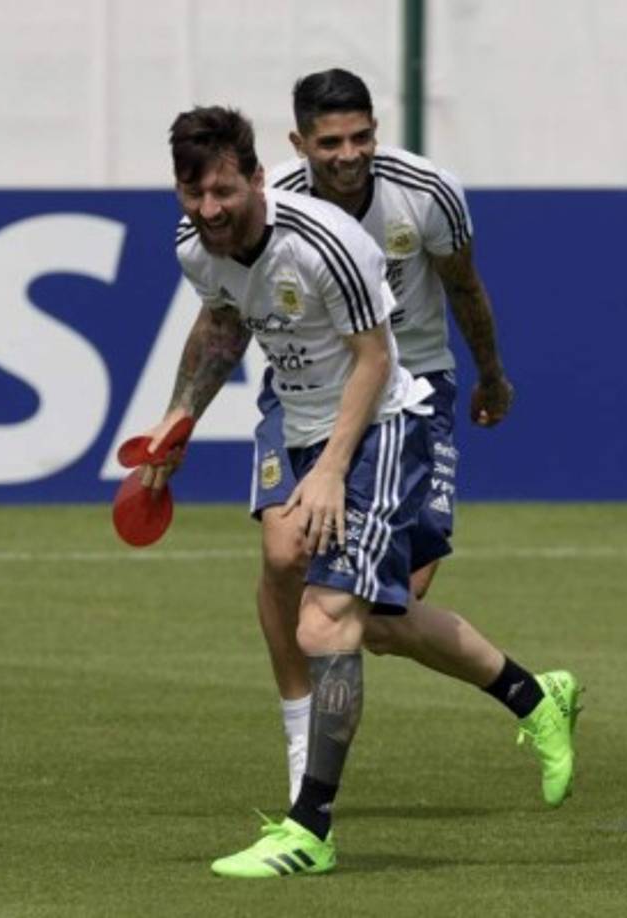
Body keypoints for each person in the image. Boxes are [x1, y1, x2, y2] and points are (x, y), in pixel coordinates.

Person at [144, 104, 580, 878]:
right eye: (192, 193)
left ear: (254, 177)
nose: (209, 209)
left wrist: (332, 470)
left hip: (377, 424)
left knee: (332, 614)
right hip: (295, 416)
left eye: (222, 190)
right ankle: (528, 694)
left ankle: (309, 827)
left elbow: (375, 363)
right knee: (312, 581)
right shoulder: (195, 246)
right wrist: (176, 420)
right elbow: (221, 326)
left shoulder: (325, 243)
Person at [251, 68, 580, 807]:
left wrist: (491, 376)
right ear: (299, 142)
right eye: (329, 141)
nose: (348, 154)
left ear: (376, 128)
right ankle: (307, 762)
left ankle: (533, 696)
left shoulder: (424, 191)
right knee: (295, 567)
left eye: (361, 136)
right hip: (309, 393)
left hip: (413, 389)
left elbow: (463, 286)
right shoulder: (275, 202)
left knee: (384, 614)